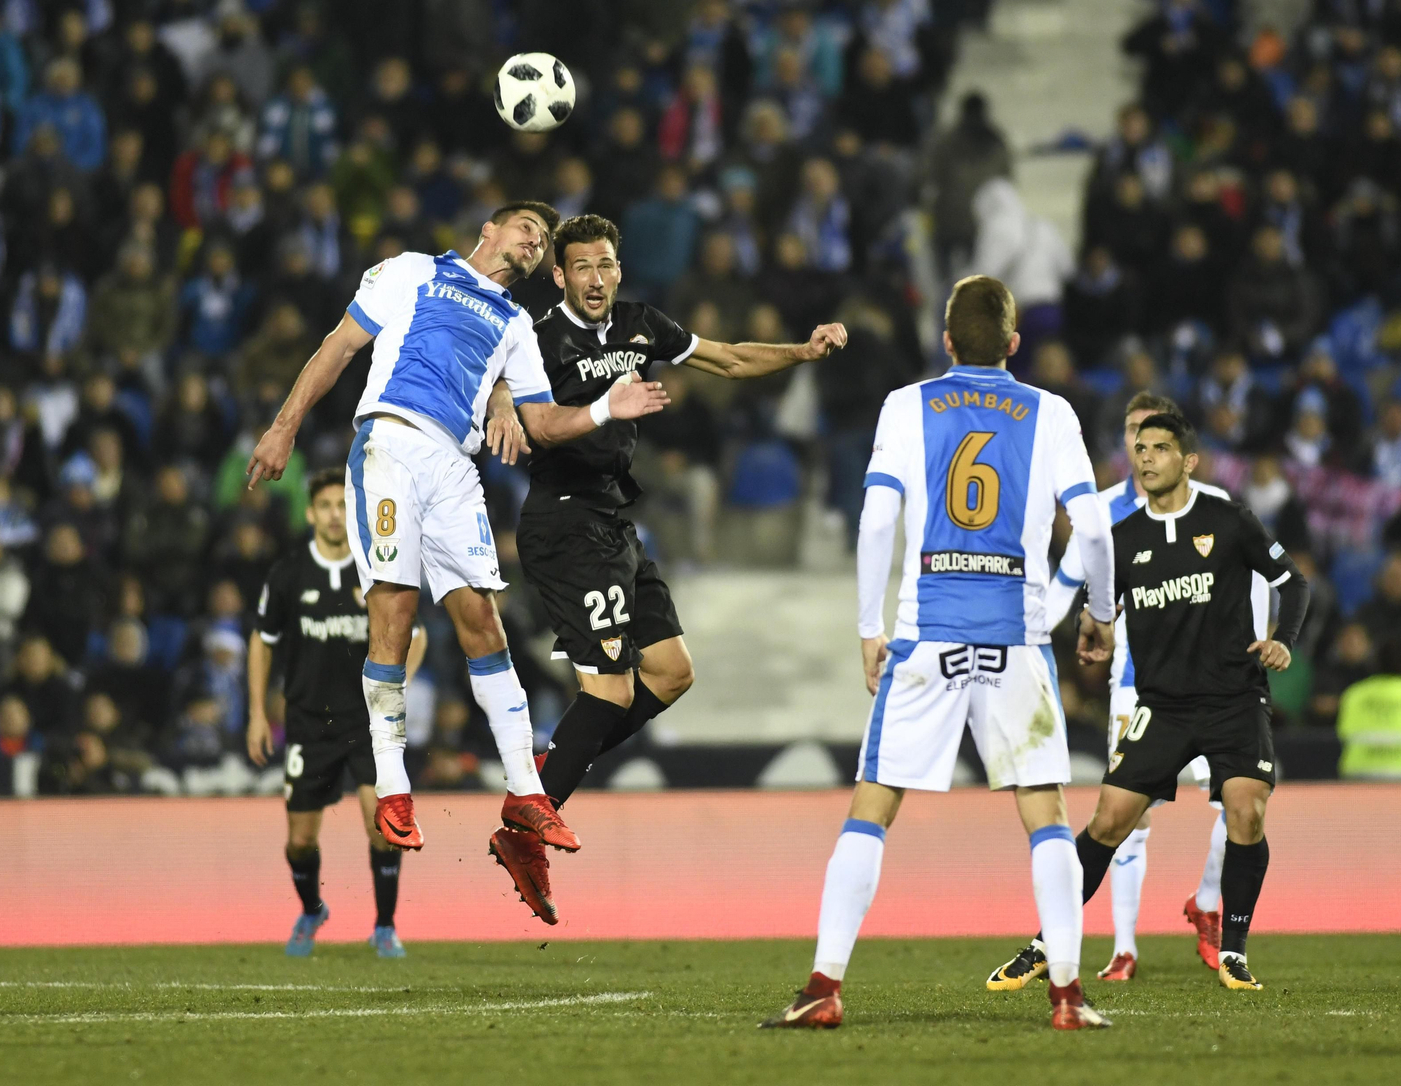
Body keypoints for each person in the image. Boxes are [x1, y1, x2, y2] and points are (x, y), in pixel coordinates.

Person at [245, 201, 669, 862]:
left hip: (453, 468)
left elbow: (545, 423)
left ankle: (526, 791)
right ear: (487, 231)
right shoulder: (410, 271)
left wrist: (605, 408)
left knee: (483, 621)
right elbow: (338, 346)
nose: (535, 242)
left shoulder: (516, 327)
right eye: (527, 228)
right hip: (389, 443)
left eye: (541, 242)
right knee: (393, 609)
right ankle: (391, 789)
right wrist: (284, 426)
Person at [761, 275, 1116, 1032]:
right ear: (1015, 344)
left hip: (926, 631)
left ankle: (824, 985)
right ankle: (1066, 995)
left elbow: (875, 520)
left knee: (874, 806)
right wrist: (1101, 613)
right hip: (1016, 636)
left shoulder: (907, 404)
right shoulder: (1050, 411)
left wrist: (868, 627)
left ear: (946, 341)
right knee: (1045, 812)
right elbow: (1092, 531)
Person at [488, 213, 847, 925]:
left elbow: (732, 359)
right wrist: (546, 400)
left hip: (616, 523)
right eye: (582, 266)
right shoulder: (533, 336)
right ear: (558, 275)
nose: (596, 278)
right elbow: (511, 399)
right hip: (563, 522)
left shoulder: (640, 325)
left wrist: (802, 353)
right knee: (613, 690)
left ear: (620, 269)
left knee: (672, 673)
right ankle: (530, 812)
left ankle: (537, 796)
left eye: (607, 265)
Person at [992, 412, 1307, 993]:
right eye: (1140, 448)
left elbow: (1295, 583)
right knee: (1108, 822)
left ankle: (1233, 950)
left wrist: (1283, 642)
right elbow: (1101, 615)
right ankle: (1045, 942)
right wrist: (1095, 636)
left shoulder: (1229, 521)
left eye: (1161, 448)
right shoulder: (1121, 541)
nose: (1147, 458)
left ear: (1188, 462)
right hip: (1161, 705)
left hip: (1234, 699)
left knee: (1246, 810)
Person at [247, 468, 428, 959]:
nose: (333, 514)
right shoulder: (287, 575)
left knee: (381, 826)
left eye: (341, 506)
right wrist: (257, 715)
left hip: (366, 723)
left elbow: (420, 635)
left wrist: (395, 692)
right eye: (324, 505)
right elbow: (261, 643)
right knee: (300, 841)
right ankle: (311, 909)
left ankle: (385, 926)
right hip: (307, 721)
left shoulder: (374, 570)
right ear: (310, 514)